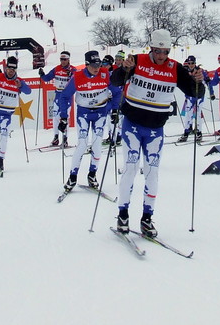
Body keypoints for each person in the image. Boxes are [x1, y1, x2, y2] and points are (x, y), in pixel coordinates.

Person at [110, 29, 205, 237]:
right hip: (132, 125)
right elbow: (116, 81)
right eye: (157, 51)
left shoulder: (175, 69)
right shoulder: (137, 60)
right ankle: (123, 213)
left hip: (155, 129)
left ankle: (147, 218)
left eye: (165, 52)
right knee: (131, 167)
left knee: (152, 172)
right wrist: (123, 68)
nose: (161, 56)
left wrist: (199, 81)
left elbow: (194, 92)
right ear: (151, 48)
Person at [60, 51, 120, 193]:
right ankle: (72, 177)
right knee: (82, 143)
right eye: (93, 65)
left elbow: (117, 92)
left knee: (97, 143)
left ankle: (92, 175)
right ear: (87, 64)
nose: (96, 68)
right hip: (84, 113)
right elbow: (64, 96)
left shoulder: (105, 74)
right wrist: (63, 117)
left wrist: (115, 110)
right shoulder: (78, 76)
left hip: (100, 113)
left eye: (98, 64)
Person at [39, 51, 77, 147]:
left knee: (65, 118)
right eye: (61, 59)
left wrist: (71, 75)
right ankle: (56, 137)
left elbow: (77, 79)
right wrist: (42, 74)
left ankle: (65, 139)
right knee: (55, 117)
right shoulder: (57, 69)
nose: (63, 61)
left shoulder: (72, 69)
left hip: (67, 96)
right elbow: (47, 78)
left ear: (68, 59)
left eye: (64, 59)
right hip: (58, 95)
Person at [177, 55, 213, 143]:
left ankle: (199, 133)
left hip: (199, 95)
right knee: (188, 113)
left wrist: (211, 93)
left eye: (192, 63)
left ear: (195, 63)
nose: (191, 65)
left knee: (197, 113)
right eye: (189, 63)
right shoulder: (186, 71)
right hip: (190, 95)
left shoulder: (200, 71)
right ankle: (186, 132)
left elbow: (208, 82)